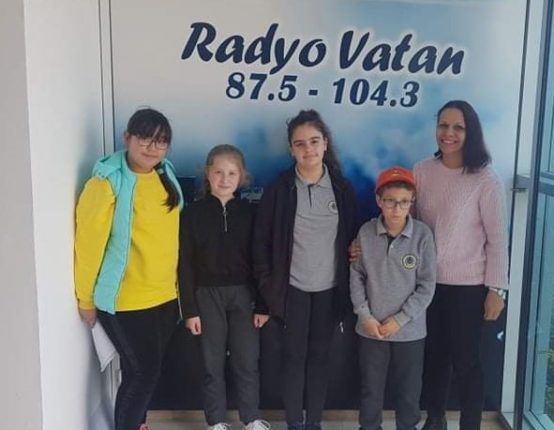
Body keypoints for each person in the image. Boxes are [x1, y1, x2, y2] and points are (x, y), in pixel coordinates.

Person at [74, 108, 183, 430]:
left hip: (164, 296)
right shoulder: (105, 183)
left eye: (161, 141)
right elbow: (88, 246)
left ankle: (139, 424)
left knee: (149, 372)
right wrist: (86, 299)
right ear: (127, 138)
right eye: (144, 138)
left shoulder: (165, 172)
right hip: (126, 300)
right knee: (142, 373)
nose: (152, 147)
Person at [253, 109, 359, 430]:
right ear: (291, 149)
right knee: (293, 358)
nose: (308, 149)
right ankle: (294, 423)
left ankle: (313, 422)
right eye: (300, 144)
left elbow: (354, 238)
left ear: (325, 143)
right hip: (292, 291)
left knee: (320, 358)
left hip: (329, 291)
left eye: (314, 141)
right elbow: (261, 244)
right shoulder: (279, 189)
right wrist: (270, 291)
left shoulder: (341, 188)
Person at [414, 100, 509, 430]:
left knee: (466, 361)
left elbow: (498, 240)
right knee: (435, 356)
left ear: (471, 132)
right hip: (427, 284)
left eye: (458, 127)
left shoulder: (486, 180)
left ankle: (470, 424)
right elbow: (410, 225)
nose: (449, 133)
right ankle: (435, 418)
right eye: (443, 125)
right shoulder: (422, 170)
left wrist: (497, 289)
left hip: (469, 287)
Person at [179, 145, 271, 430]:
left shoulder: (251, 213)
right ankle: (216, 421)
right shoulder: (192, 214)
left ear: (242, 176)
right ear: (207, 173)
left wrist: (263, 304)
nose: (224, 179)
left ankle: (251, 418)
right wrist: (190, 310)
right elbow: (185, 264)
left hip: (244, 296)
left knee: (247, 360)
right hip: (207, 295)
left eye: (232, 173)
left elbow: (261, 260)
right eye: (218, 172)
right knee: (212, 363)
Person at [350, 166, 436, 430]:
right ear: (379, 200)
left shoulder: (422, 235)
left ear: (412, 202)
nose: (397, 208)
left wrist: (400, 319)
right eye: (390, 201)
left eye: (404, 202)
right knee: (370, 390)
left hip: (409, 332)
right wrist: (365, 316)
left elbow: (426, 285)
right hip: (371, 329)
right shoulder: (365, 233)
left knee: (409, 393)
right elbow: (356, 276)